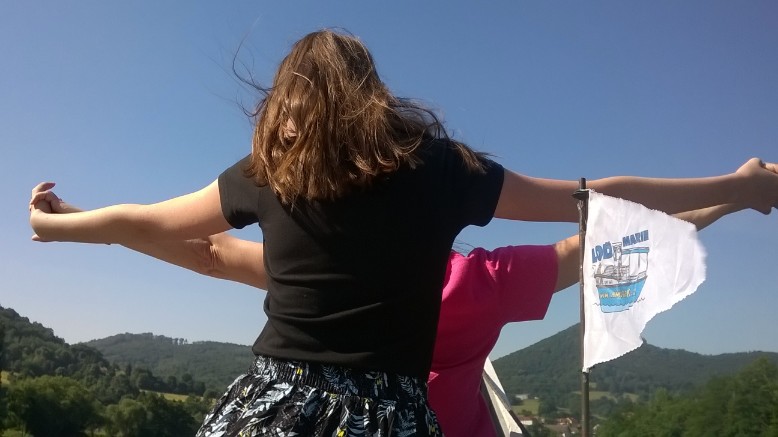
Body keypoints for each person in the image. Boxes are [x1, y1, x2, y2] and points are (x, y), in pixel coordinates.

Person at [28, 29, 778, 436]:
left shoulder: (272, 173)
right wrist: (736, 187)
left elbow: (188, 241)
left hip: (277, 403)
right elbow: (596, 204)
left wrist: (65, 227)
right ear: (373, 96)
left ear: (286, 105)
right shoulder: (445, 182)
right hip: (391, 417)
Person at [31, 185, 753, 436]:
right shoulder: (480, 279)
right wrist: (732, 197)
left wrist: (85, 222)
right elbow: (600, 243)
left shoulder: (325, 273)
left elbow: (209, 253)